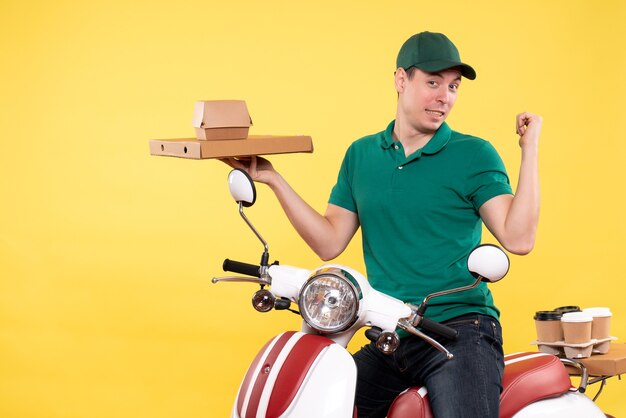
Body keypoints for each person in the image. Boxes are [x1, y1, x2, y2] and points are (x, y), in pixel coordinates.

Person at [223, 31, 541, 418]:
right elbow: (329, 242)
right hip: (389, 330)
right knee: (324, 398)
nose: (445, 97)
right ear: (401, 80)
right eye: (433, 82)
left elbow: (518, 237)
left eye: (454, 86)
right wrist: (273, 179)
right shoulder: (361, 155)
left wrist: (530, 150)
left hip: (457, 331)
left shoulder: (473, 154)